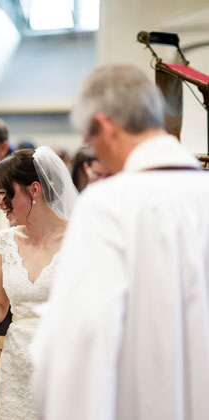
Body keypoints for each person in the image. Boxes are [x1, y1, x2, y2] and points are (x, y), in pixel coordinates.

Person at [32, 64, 209, 420]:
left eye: (90, 139)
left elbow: (79, 341)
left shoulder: (107, 205)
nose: (96, 153)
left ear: (106, 125)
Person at [0, 146, 77, 420]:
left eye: (3, 192)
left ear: (34, 189)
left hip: (66, 360)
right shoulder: (3, 243)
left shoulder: (80, 240)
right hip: (17, 365)